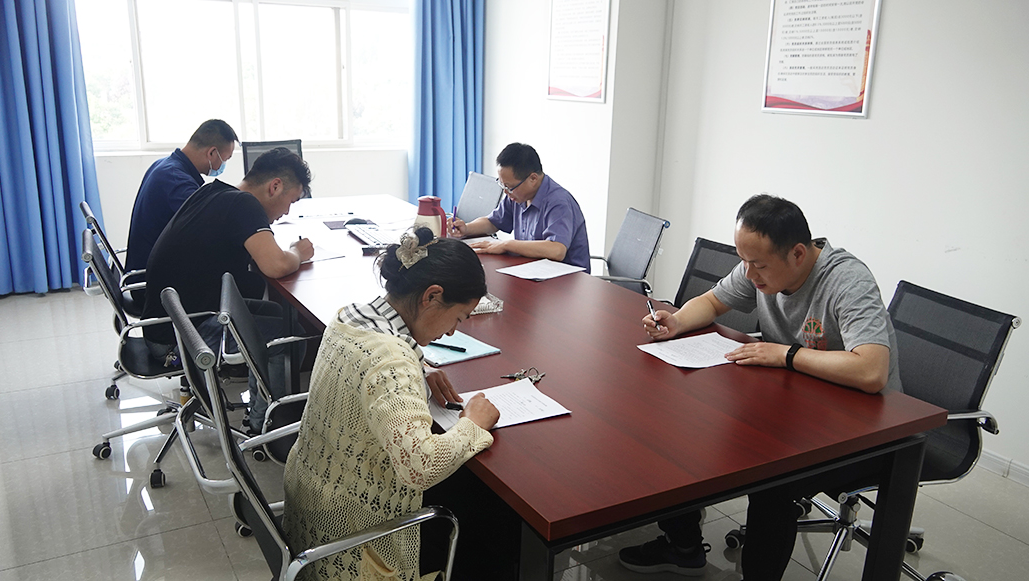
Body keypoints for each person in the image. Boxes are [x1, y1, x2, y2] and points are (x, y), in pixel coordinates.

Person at [620, 193, 901, 580]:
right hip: (797, 405)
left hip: (865, 427)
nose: (749, 275)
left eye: (759, 265)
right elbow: (712, 301)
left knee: (773, 482)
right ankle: (682, 545)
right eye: (744, 261)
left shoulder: (847, 281)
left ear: (798, 254)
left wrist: (786, 355)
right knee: (684, 430)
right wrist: (677, 322)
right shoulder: (759, 266)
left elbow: (872, 371)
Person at [283, 228, 507, 581]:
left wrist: (419, 368)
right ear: (432, 296)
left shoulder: (350, 316)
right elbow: (420, 466)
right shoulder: (392, 362)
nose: (452, 332)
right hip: (356, 542)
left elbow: (370, 366)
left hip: (310, 514)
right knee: (490, 520)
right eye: (459, 318)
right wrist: (473, 424)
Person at [141, 147, 314, 432]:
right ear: (275, 187)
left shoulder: (217, 192)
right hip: (180, 337)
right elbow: (275, 265)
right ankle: (267, 427)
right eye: (291, 201)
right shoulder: (244, 206)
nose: (286, 212)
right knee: (289, 337)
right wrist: (297, 251)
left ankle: (261, 408)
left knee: (278, 315)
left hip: (170, 321)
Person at [124, 119, 238, 297]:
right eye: (226, 159)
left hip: (149, 272)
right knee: (243, 279)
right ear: (212, 153)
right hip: (155, 287)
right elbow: (210, 231)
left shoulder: (166, 166)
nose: (223, 165)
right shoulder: (177, 181)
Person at [448, 142, 591, 272]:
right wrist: (467, 228)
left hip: (566, 281)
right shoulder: (517, 195)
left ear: (533, 179)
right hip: (532, 270)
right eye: (502, 185)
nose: (506, 192)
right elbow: (493, 222)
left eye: (509, 187)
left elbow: (556, 250)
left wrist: (507, 245)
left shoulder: (558, 202)